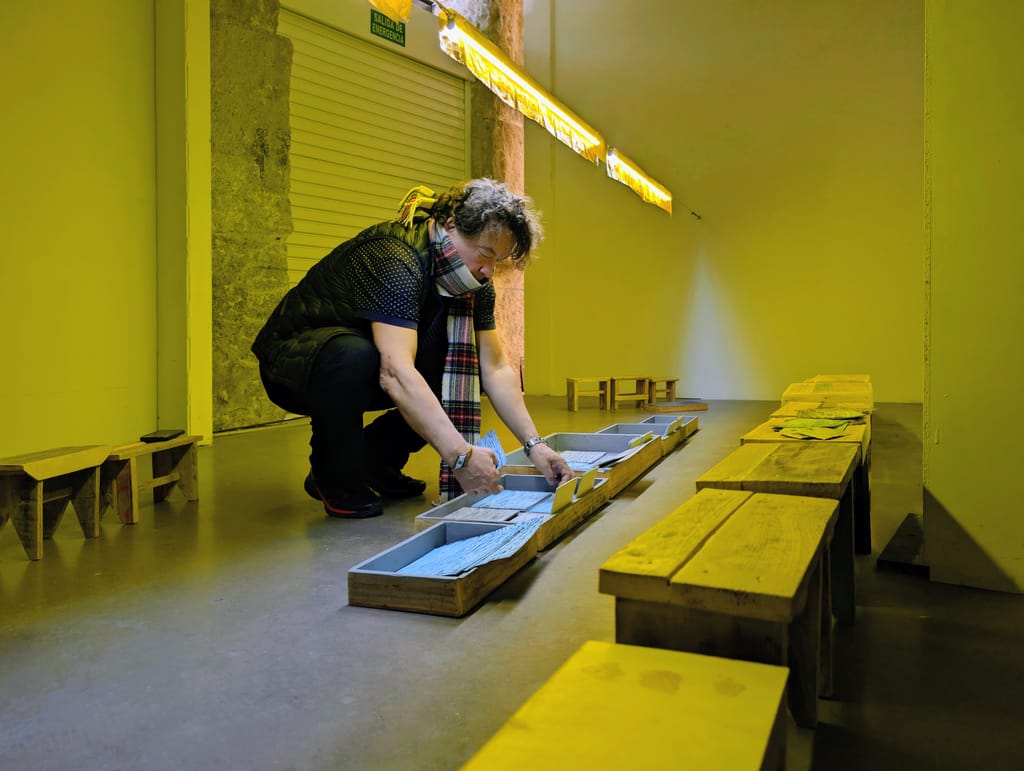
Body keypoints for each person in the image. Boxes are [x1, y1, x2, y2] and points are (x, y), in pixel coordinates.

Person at [252, 178, 573, 518]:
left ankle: (375, 461)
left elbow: (494, 368)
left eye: (499, 262)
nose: (487, 271)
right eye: (485, 254)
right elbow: (395, 372)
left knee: (458, 368)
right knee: (355, 357)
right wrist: (461, 456)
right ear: (452, 226)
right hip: (297, 361)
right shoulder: (396, 258)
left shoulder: (475, 284)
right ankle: (333, 475)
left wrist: (535, 446)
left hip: (368, 360)